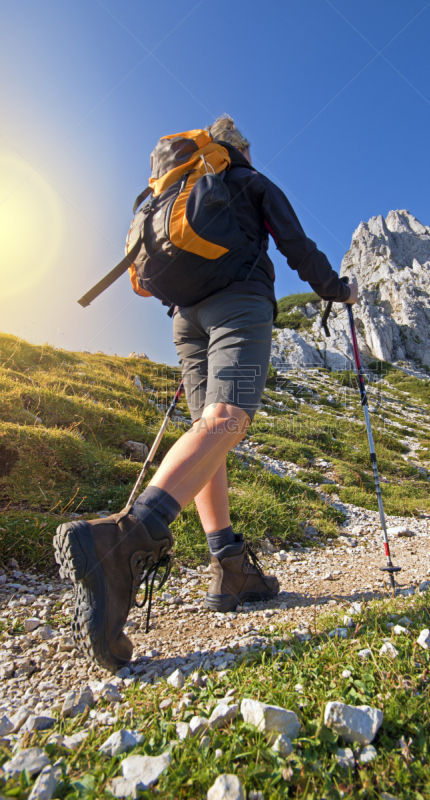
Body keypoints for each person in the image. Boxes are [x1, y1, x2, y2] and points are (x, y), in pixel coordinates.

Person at [54, 115, 359, 672]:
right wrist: (338, 290)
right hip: (239, 301)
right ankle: (124, 541)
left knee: (208, 431)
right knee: (230, 418)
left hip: (184, 318)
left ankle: (227, 566)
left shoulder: (170, 192)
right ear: (235, 146)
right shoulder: (246, 176)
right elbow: (297, 246)